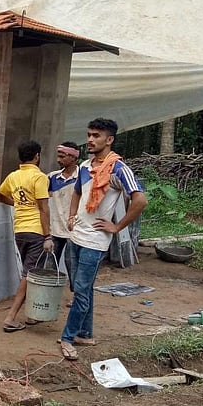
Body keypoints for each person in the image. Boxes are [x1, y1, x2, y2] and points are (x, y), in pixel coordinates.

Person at [60, 118, 147, 361]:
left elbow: (140, 200)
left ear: (109, 140)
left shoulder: (118, 169)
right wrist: (71, 216)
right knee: (81, 288)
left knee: (81, 290)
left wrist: (117, 226)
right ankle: (85, 333)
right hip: (77, 236)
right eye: (89, 134)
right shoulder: (85, 166)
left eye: (96, 136)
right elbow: (77, 192)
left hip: (95, 241)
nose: (90, 139)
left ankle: (67, 338)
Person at [0, 140, 53, 332]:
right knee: (29, 275)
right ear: (37, 156)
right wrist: (48, 236)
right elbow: (44, 208)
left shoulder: (13, 176)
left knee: (30, 273)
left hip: (20, 230)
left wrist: (17, 204)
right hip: (36, 231)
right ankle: (10, 317)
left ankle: (31, 314)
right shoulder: (39, 177)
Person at [47, 141, 81, 296]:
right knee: (50, 265)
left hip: (75, 229)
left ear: (73, 157)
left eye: (62, 156)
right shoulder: (52, 177)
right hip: (55, 229)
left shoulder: (83, 177)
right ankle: (48, 295)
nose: (58, 160)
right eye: (58, 156)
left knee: (72, 265)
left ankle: (76, 296)